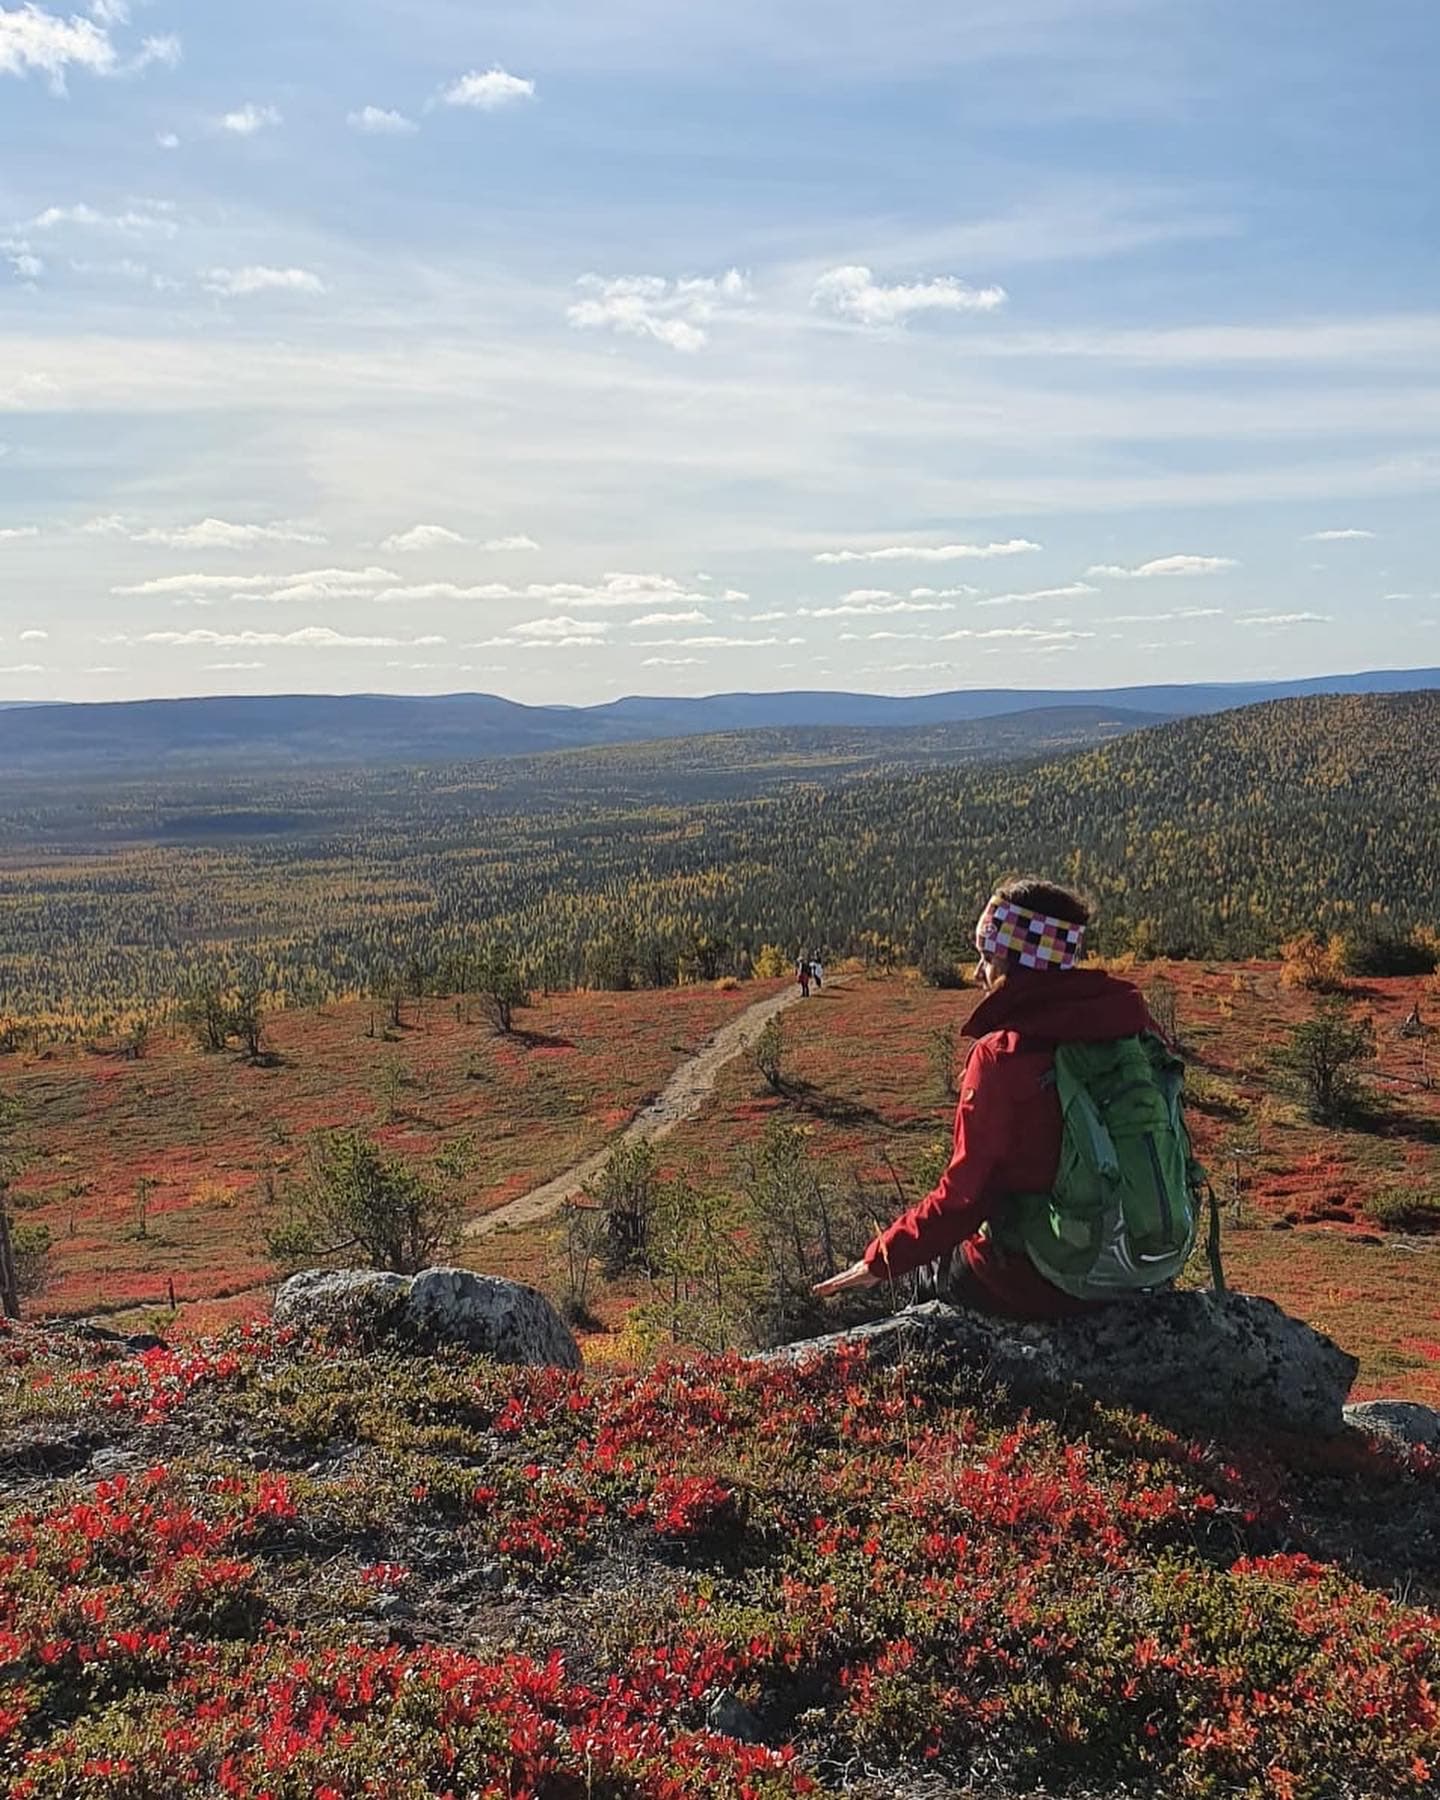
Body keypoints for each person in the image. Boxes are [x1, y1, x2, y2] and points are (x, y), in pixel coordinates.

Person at [813, 876, 1192, 1321]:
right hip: (1151, 1262)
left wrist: (882, 1258)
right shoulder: (1137, 1030)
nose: (978, 973)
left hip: (1049, 1279)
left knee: (943, 1277)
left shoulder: (1003, 1055)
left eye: (988, 958)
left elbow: (963, 1200)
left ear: (1022, 963)